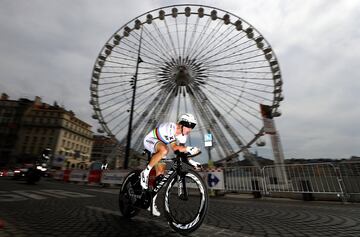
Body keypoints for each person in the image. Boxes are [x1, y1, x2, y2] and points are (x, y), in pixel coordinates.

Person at [141, 113, 201, 216]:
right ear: (181, 124)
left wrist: (192, 162)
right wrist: (189, 148)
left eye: (192, 126)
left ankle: (151, 202)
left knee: (160, 177)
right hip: (151, 140)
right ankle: (145, 172)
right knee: (165, 150)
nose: (190, 129)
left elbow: (182, 152)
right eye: (189, 126)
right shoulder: (170, 127)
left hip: (160, 147)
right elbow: (175, 148)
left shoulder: (183, 137)